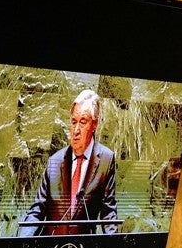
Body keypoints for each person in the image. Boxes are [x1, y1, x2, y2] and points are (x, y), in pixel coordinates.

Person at [19, 89, 118, 236]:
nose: (76, 130)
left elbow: (108, 213)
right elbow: (38, 209)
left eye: (83, 122)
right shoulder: (55, 160)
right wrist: (23, 240)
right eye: (73, 122)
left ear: (94, 124)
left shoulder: (106, 160)